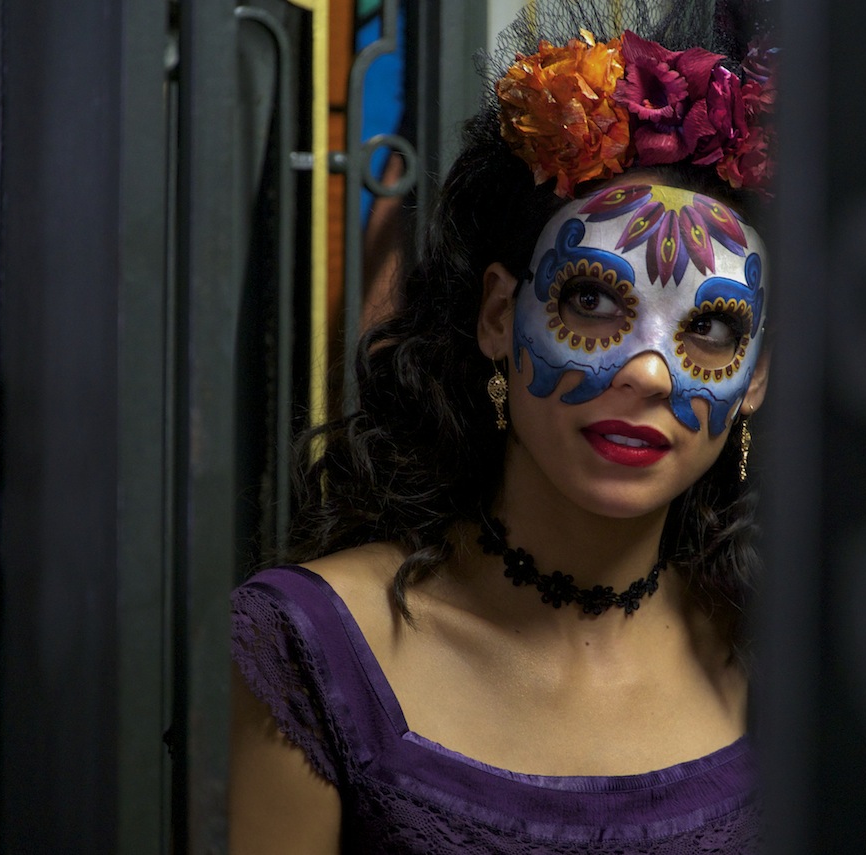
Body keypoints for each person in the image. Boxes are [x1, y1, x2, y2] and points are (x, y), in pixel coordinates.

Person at [228, 1, 777, 851]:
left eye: (711, 327)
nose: (646, 371)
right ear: (497, 314)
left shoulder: (778, 657)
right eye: (592, 299)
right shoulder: (308, 650)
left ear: (757, 379)